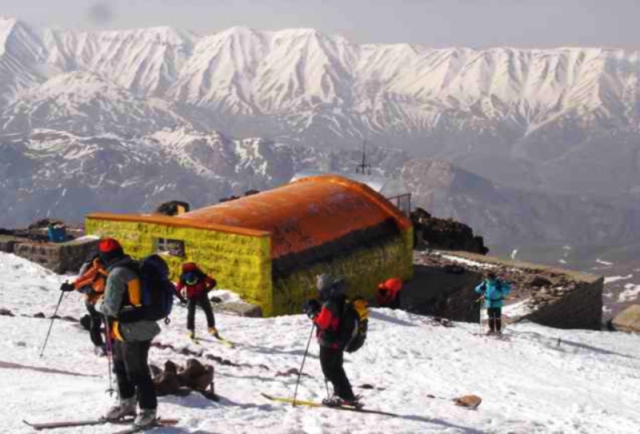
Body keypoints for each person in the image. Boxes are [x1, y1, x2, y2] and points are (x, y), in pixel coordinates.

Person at [96, 238, 160, 429]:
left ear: (105, 257)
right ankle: (127, 404)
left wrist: (98, 304)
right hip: (126, 329)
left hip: (135, 330)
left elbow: (111, 308)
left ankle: (148, 411)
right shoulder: (131, 266)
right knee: (121, 366)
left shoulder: (117, 274)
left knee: (137, 371)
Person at [304, 274, 360, 408]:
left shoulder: (329, 303)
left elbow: (322, 324)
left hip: (329, 342)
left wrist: (311, 313)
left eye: (320, 287)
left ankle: (344, 396)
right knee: (336, 368)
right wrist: (319, 310)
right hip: (338, 341)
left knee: (330, 370)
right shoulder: (340, 298)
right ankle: (345, 395)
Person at [60, 254, 108, 355]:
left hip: (97, 298)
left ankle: (103, 345)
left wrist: (72, 285)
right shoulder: (99, 267)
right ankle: (101, 345)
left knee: (99, 322)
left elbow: (84, 278)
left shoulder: (98, 266)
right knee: (101, 322)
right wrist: (72, 285)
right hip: (95, 299)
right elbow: (85, 278)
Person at [176, 262, 217, 341]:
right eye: (190, 283)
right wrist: (182, 299)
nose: (192, 284)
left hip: (202, 295)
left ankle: (211, 327)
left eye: (194, 283)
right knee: (191, 313)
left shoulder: (201, 276)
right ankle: (191, 330)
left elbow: (213, 282)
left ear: (196, 279)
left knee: (208, 311)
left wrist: (206, 291)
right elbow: (177, 290)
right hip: (191, 297)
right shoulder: (183, 278)